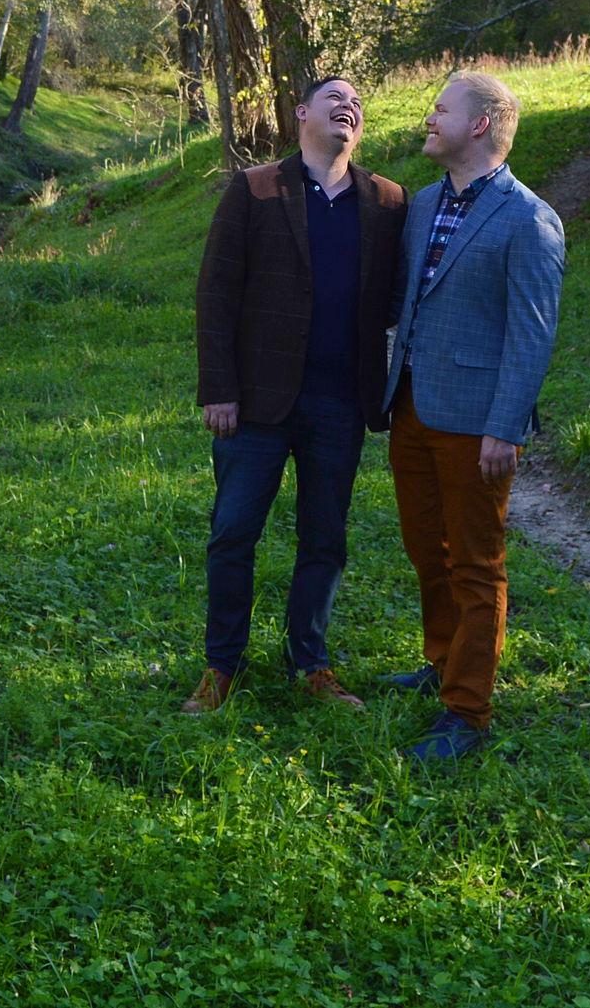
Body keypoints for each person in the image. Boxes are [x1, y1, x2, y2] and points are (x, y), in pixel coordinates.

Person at [183, 76, 409, 714]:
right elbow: (216, 292)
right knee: (232, 533)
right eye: (336, 98)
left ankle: (309, 662)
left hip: (340, 403)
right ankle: (220, 667)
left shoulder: (389, 202)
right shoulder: (255, 188)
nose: (350, 106)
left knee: (325, 539)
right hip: (255, 404)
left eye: (359, 102)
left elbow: (397, 302)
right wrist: (218, 389)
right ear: (301, 112)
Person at [375, 69, 565, 762]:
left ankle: (467, 711)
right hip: (412, 409)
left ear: (479, 123)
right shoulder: (424, 204)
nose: (429, 117)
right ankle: (441, 660)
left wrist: (506, 425)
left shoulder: (528, 217)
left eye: (440, 108)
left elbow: (531, 331)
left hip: (475, 423)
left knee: (477, 563)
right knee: (427, 547)